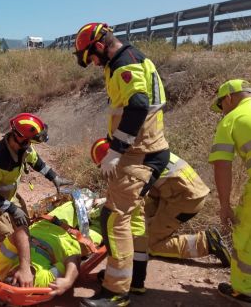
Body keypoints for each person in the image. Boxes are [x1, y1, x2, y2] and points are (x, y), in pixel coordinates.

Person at [74, 22, 170, 306]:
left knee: (114, 218)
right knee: (135, 218)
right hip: (150, 151)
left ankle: (116, 291)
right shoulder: (126, 60)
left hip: (138, 154)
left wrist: (116, 150)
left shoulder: (124, 64)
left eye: (91, 56)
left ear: (100, 46)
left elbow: (138, 105)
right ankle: (135, 280)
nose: (92, 63)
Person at [91, 138, 230, 266]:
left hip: (186, 200)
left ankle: (207, 243)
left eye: (102, 166)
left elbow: (129, 199)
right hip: (182, 192)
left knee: (148, 245)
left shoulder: (133, 166)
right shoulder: (140, 151)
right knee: (140, 219)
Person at [0, 113, 73, 244]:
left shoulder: (23, 146)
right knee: (7, 239)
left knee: (25, 228)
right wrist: (13, 209)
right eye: (29, 141)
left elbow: (36, 161)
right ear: (20, 138)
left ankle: (0, 217)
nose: (30, 145)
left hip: (9, 197)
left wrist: (54, 177)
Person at [209, 79, 251, 306]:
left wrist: (225, 205)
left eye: (221, 106)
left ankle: (245, 292)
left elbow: (222, 165)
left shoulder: (231, 119)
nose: (221, 112)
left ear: (228, 98)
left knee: (248, 233)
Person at [0, 200, 103, 295]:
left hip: (50, 224)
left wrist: (25, 267)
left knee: (81, 202)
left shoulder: (3, 267)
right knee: (104, 221)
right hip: (74, 242)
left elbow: (22, 230)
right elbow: (73, 258)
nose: (13, 275)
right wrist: (68, 280)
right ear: (29, 285)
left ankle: (96, 204)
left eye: (9, 276)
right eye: (19, 281)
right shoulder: (43, 281)